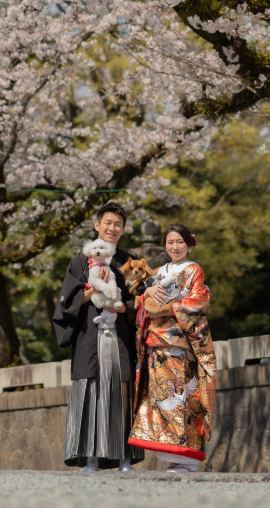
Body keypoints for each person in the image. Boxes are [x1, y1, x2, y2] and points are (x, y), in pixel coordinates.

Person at [52, 201, 144, 472]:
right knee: (90, 392)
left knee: (122, 393)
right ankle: (89, 458)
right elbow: (66, 303)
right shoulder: (80, 261)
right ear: (97, 225)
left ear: (124, 229)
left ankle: (124, 458)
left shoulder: (130, 262)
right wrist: (93, 291)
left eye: (118, 224)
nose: (112, 228)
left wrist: (122, 307)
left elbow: (140, 301)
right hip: (89, 337)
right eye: (108, 223)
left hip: (120, 336)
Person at [127, 223, 216, 473]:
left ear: (189, 244)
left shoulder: (194, 270)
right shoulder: (158, 271)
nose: (175, 247)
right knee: (160, 399)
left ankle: (187, 459)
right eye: (170, 242)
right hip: (155, 344)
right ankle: (173, 457)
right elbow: (140, 301)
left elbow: (199, 302)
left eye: (180, 242)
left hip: (179, 344)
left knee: (181, 398)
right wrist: (147, 293)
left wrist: (167, 308)